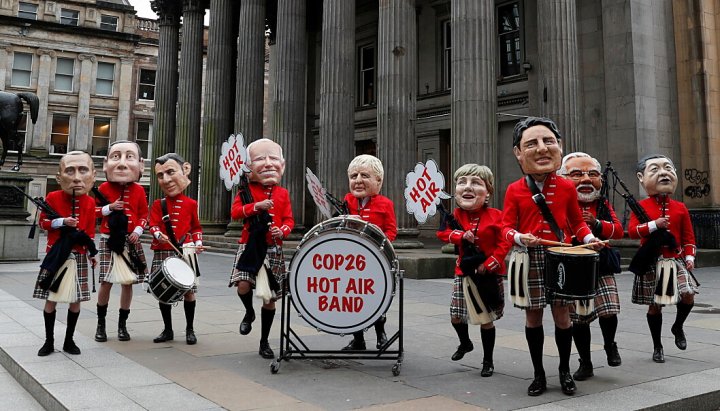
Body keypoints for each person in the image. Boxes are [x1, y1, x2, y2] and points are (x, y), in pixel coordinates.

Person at [501, 117, 603, 396]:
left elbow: (577, 224)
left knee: (563, 318)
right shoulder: (514, 189)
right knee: (533, 319)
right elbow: (505, 228)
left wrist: (590, 239)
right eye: (531, 143)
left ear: (559, 146)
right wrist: (521, 238)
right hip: (529, 260)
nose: (542, 148)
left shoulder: (567, 187)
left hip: (560, 258)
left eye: (548, 141)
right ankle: (538, 374)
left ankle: (564, 371)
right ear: (518, 153)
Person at [436, 164, 510, 377]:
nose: (467, 187)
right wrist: (460, 236)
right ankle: (465, 343)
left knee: (485, 320)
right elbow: (443, 234)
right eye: (462, 182)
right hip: (464, 272)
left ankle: (488, 361)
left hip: (487, 274)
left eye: (476, 183)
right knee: (455, 317)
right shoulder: (455, 215)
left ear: (488, 192)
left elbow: (504, 244)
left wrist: (490, 264)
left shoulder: (497, 215)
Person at [558, 152, 624, 380]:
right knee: (579, 319)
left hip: (601, 264)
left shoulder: (602, 203)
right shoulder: (560, 203)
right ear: (562, 178)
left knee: (609, 309)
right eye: (576, 174)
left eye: (592, 174)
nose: (586, 179)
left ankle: (610, 345)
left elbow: (618, 231)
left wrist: (597, 224)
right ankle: (585, 362)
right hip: (573, 266)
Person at [628, 154, 698, 363]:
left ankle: (678, 326)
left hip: (675, 259)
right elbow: (632, 232)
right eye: (655, 169)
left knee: (688, 294)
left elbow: (688, 236)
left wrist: (690, 256)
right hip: (651, 260)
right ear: (642, 177)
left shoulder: (680, 207)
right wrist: (653, 225)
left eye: (668, 168)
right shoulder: (640, 205)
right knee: (654, 305)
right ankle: (657, 346)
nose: (664, 173)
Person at [229, 138, 294, 359]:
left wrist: (282, 231)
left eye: (273, 158)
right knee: (243, 286)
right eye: (259, 159)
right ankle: (248, 313)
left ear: (282, 165)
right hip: (250, 245)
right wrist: (256, 206)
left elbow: (289, 220)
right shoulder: (246, 190)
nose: (267, 164)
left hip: (272, 248)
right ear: (249, 167)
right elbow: (236, 213)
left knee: (270, 299)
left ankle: (264, 342)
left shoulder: (283, 193)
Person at [34, 151, 98, 356]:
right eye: (70, 171)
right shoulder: (53, 197)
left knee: (75, 300)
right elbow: (43, 223)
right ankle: (49, 341)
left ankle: (69, 340)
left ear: (92, 175)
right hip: (56, 254)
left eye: (82, 171)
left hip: (78, 255)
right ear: (59, 177)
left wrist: (91, 253)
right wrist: (62, 222)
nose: (77, 178)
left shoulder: (89, 202)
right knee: (51, 298)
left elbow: (88, 231)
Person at [339, 154, 397, 351]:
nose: (358, 180)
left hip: (376, 259)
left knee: (376, 297)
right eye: (354, 176)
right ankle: (358, 339)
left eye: (365, 175)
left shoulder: (385, 204)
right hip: (351, 260)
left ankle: (381, 334)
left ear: (378, 181)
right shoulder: (347, 200)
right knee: (354, 297)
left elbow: (391, 231)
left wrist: (381, 242)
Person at [94, 140, 149, 343]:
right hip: (110, 238)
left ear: (140, 164)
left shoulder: (139, 190)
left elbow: (144, 213)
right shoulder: (104, 187)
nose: (123, 164)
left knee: (128, 283)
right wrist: (109, 208)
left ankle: (122, 326)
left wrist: (138, 229)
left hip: (130, 239)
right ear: (106, 163)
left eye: (129, 157)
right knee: (106, 281)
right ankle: (101, 325)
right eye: (116, 157)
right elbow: (93, 211)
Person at [148, 153, 204, 345]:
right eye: (160, 175)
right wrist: (157, 234)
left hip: (186, 251)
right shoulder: (158, 204)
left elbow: (196, 228)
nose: (165, 180)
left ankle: (190, 329)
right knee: (163, 291)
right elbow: (152, 224)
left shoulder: (191, 204)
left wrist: (197, 243)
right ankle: (168, 330)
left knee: (189, 291)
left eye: (170, 172)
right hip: (163, 249)